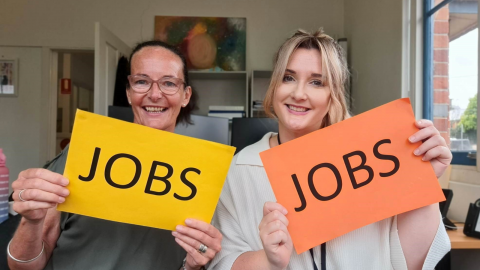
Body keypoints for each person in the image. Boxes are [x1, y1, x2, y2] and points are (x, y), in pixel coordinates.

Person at [209, 29, 451, 270]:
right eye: (288, 77)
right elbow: (221, 262)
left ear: (333, 94)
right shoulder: (241, 168)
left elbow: (411, 263)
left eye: (317, 82)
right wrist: (268, 261)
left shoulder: (371, 159)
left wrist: (422, 183)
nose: (298, 93)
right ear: (274, 86)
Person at [8, 40, 222, 270]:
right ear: (129, 93)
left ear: (186, 95)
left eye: (169, 83)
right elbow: (22, 267)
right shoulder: (85, 152)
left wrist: (193, 267)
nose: (155, 94)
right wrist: (31, 222)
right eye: (142, 82)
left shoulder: (200, 174)